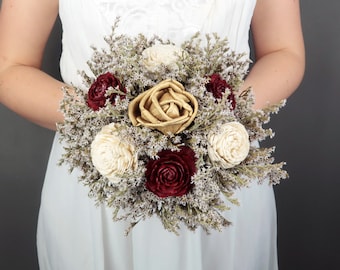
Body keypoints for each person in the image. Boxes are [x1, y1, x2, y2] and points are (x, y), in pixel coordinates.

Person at [0, 0, 305, 269]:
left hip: (220, 179)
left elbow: (284, 50)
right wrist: (111, 120)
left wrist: (215, 119)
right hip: (100, 179)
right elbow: (10, 66)